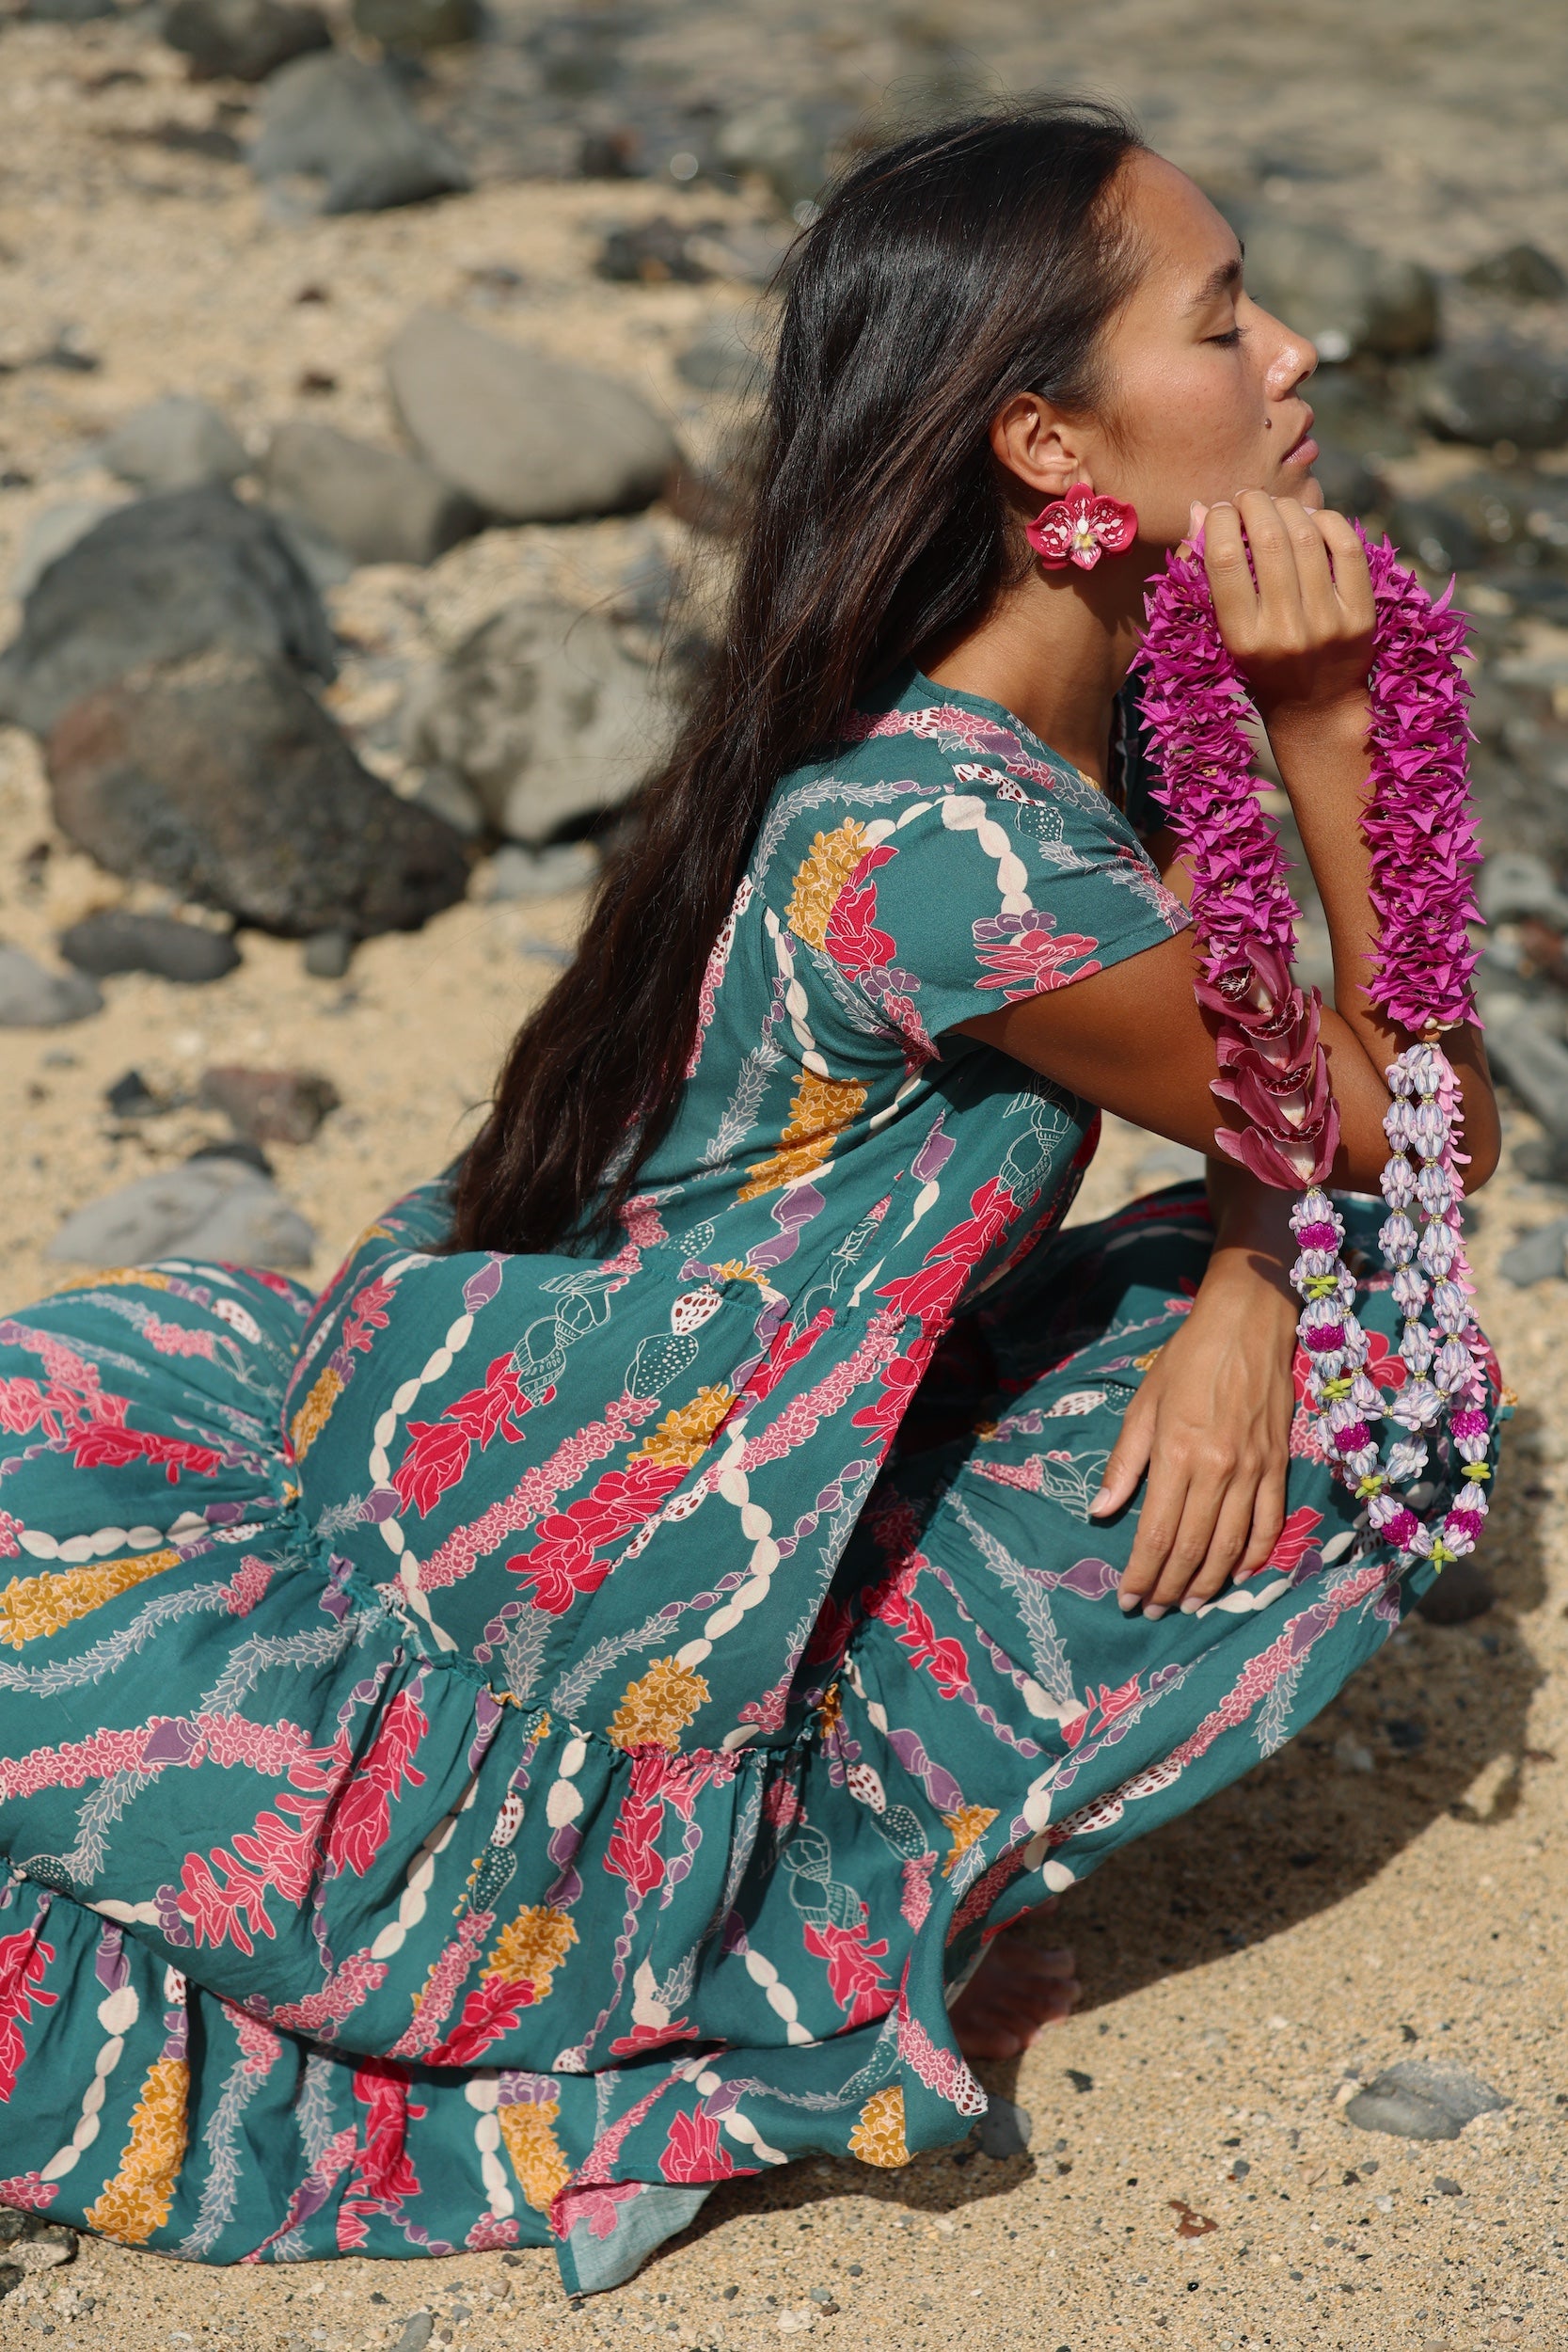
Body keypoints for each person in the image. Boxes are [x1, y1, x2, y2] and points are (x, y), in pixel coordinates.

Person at [0, 101, 1501, 2295]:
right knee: (1416, 1372)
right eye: (1227, 320)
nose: (1297, 363)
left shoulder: (1026, 736)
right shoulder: (957, 859)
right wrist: (1353, 728)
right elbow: (1411, 1130)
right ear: (1052, 452)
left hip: (634, 1399)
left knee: (1344, 1307)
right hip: (578, 1547)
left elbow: (1319, 1121)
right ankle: (818, 1892)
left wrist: (1254, 1280)